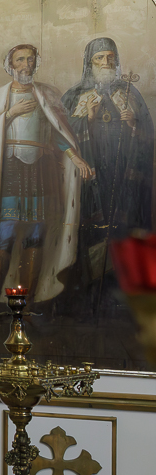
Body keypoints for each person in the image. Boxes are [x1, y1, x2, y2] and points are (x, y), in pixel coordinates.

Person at [0, 44, 93, 328]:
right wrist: (9, 114)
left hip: (39, 172)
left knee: (36, 236)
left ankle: (26, 307)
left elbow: (58, 134)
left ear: (36, 63)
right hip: (8, 172)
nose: (26, 64)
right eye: (20, 59)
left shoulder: (46, 95)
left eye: (30, 59)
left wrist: (76, 158)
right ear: (10, 65)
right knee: (5, 237)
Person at [61, 37, 155, 316]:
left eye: (110, 58)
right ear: (89, 63)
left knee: (122, 230)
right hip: (89, 175)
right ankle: (86, 295)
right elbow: (60, 134)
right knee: (89, 230)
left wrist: (133, 124)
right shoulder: (75, 94)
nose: (106, 63)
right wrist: (87, 119)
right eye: (99, 58)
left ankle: (119, 296)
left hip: (122, 174)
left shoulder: (129, 92)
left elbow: (148, 137)